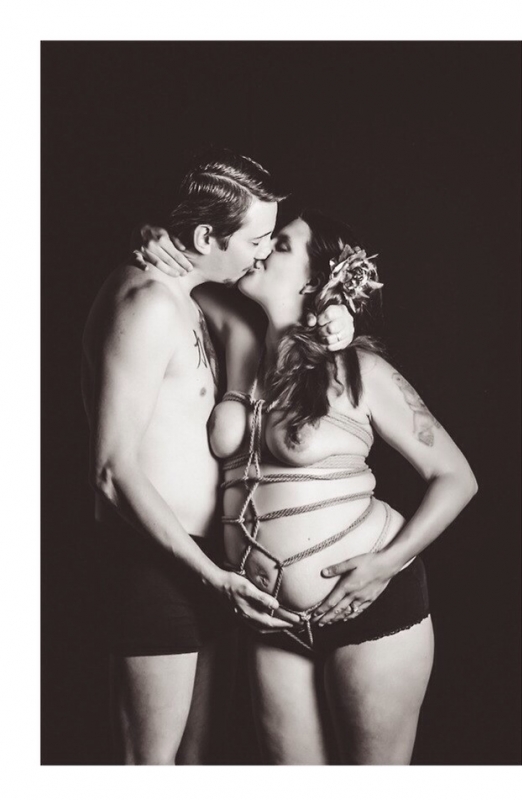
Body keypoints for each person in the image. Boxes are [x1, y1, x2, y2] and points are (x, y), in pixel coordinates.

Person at [145, 208, 478, 764]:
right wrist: (155, 235)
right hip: (272, 620)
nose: (260, 249)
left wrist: (384, 566)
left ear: (313, 282)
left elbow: (457, 478)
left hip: (372, 604)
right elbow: (190, 272)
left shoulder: (358, 370)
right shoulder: (238, 345)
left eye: (279, 245)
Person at [81, 150, 354, 765]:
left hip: (208, 562)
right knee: (148, 766)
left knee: (197, 760)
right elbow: (111, 472)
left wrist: (335, 309)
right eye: (256, 241)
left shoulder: (197, 297)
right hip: (156, 560)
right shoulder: (148, 301)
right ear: (208, 237)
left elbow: (287, 315)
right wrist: (210, 576)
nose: (261, 254)